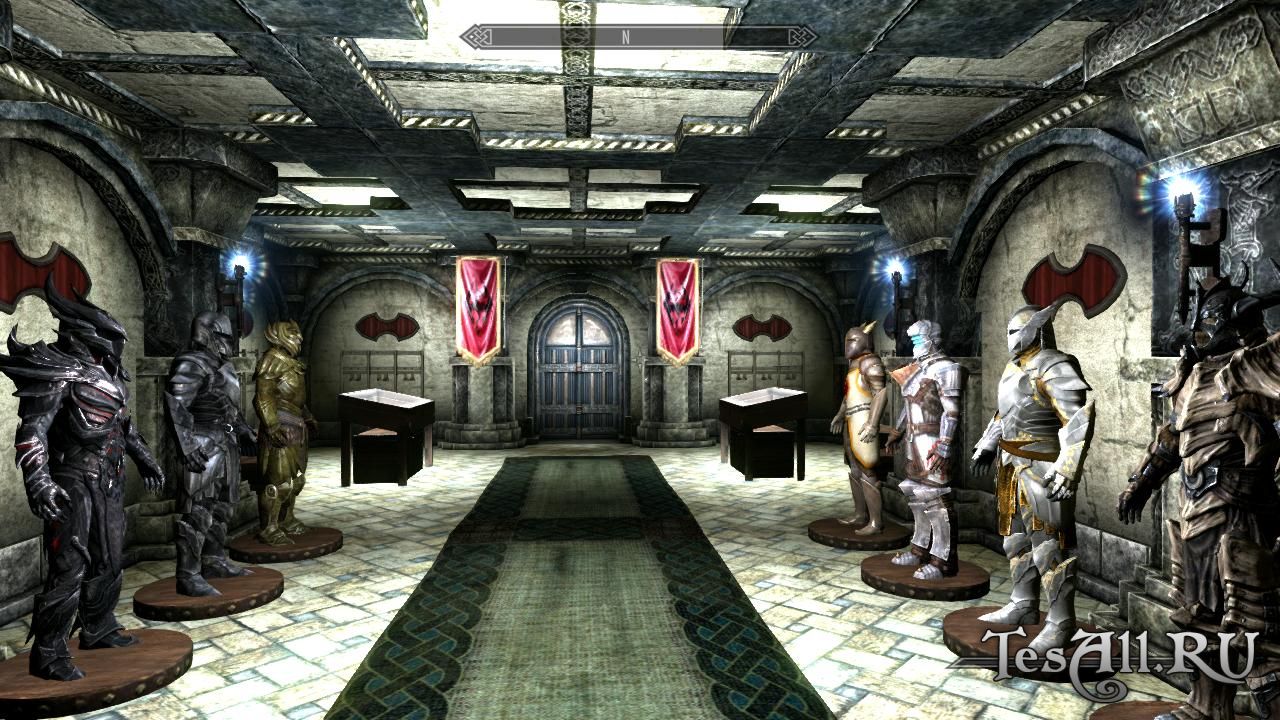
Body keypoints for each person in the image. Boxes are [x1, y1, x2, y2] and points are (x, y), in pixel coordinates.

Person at [1118, 273, 1280, 720]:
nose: (1199, 329)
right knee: (1200, 617)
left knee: (1254, 629)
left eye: (1210, 318)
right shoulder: (1192, 376)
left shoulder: (1253, 369)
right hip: (1196, 513)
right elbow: (1171, 440)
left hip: (1240, 512)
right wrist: (1141, 483)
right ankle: (1206, 708)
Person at [0, 279, 165, 680]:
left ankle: (99, 625)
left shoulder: (110, 378)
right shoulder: (62, 372)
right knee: (70, 563)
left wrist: (146, 460)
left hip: (109, 479)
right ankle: (49, 652)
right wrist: (39, 482)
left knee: (109, 557)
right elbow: (33, 432)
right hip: (72, 479)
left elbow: (124, 429)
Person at [971, 304, 1094, 653]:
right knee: (1015, 541)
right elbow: (1006, 412)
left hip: (1043, 468)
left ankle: (1060, 623)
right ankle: (1023, 603)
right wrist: (988, 443)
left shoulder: (1055, 365)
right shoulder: (1014, 366)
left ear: (1036, 329)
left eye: (1015, 331)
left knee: (1050, 547)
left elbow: (1077, 419)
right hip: (1010, 464)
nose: (1010, 338)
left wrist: (1068, 467)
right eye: (1008, 331)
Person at [165, 312, 256, 596]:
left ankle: (214, 560)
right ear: (208, 334)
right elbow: (176, 406)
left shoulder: (221, 365)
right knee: (198, 510)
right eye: (223, 336)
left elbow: (229, 406)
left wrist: (243, 430)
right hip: (202, 443)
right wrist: (187, 446)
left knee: (223, 507)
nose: (228, 343)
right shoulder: (191, 364)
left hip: (226, 442)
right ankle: (188, 575)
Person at [887, 319, 963, 579]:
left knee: (936, 498)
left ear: (933, 338)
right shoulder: (918, 369)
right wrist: (897, 432)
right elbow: (908, 407)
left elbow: (951, 412)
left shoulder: (947, 368)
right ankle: (920, 549)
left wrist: (945, 445)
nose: (915, 344)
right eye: (913, 340)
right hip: (914, 442)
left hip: (933, 442)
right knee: (916, 495)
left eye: (918, 339)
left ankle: (943, 560)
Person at [253, 320, 315, 546]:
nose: (298, 337)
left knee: (296, 479)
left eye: (298, 332)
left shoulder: (290, 362)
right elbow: (263, 397)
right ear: (278, 334)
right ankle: (269, 528)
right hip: (280, 426)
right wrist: (271, 426)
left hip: (296, 424)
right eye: (292, 332)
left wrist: (307, 416)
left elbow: (295, 398)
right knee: (278, 482)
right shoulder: (271, 360)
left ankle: (286, 519)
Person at [828, 322, 889, 533]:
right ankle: (860, 514)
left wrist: (872, 423)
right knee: (854, 468)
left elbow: (881, 393)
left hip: (863, 419)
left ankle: (876, 522)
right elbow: (849, 395)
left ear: (864, 342)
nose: (848, 346)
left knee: (867, 468)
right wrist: (840, 415)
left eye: (852, 341)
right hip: (850, 420)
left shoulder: (870, 362)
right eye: (847, 341)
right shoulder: (854, 365)